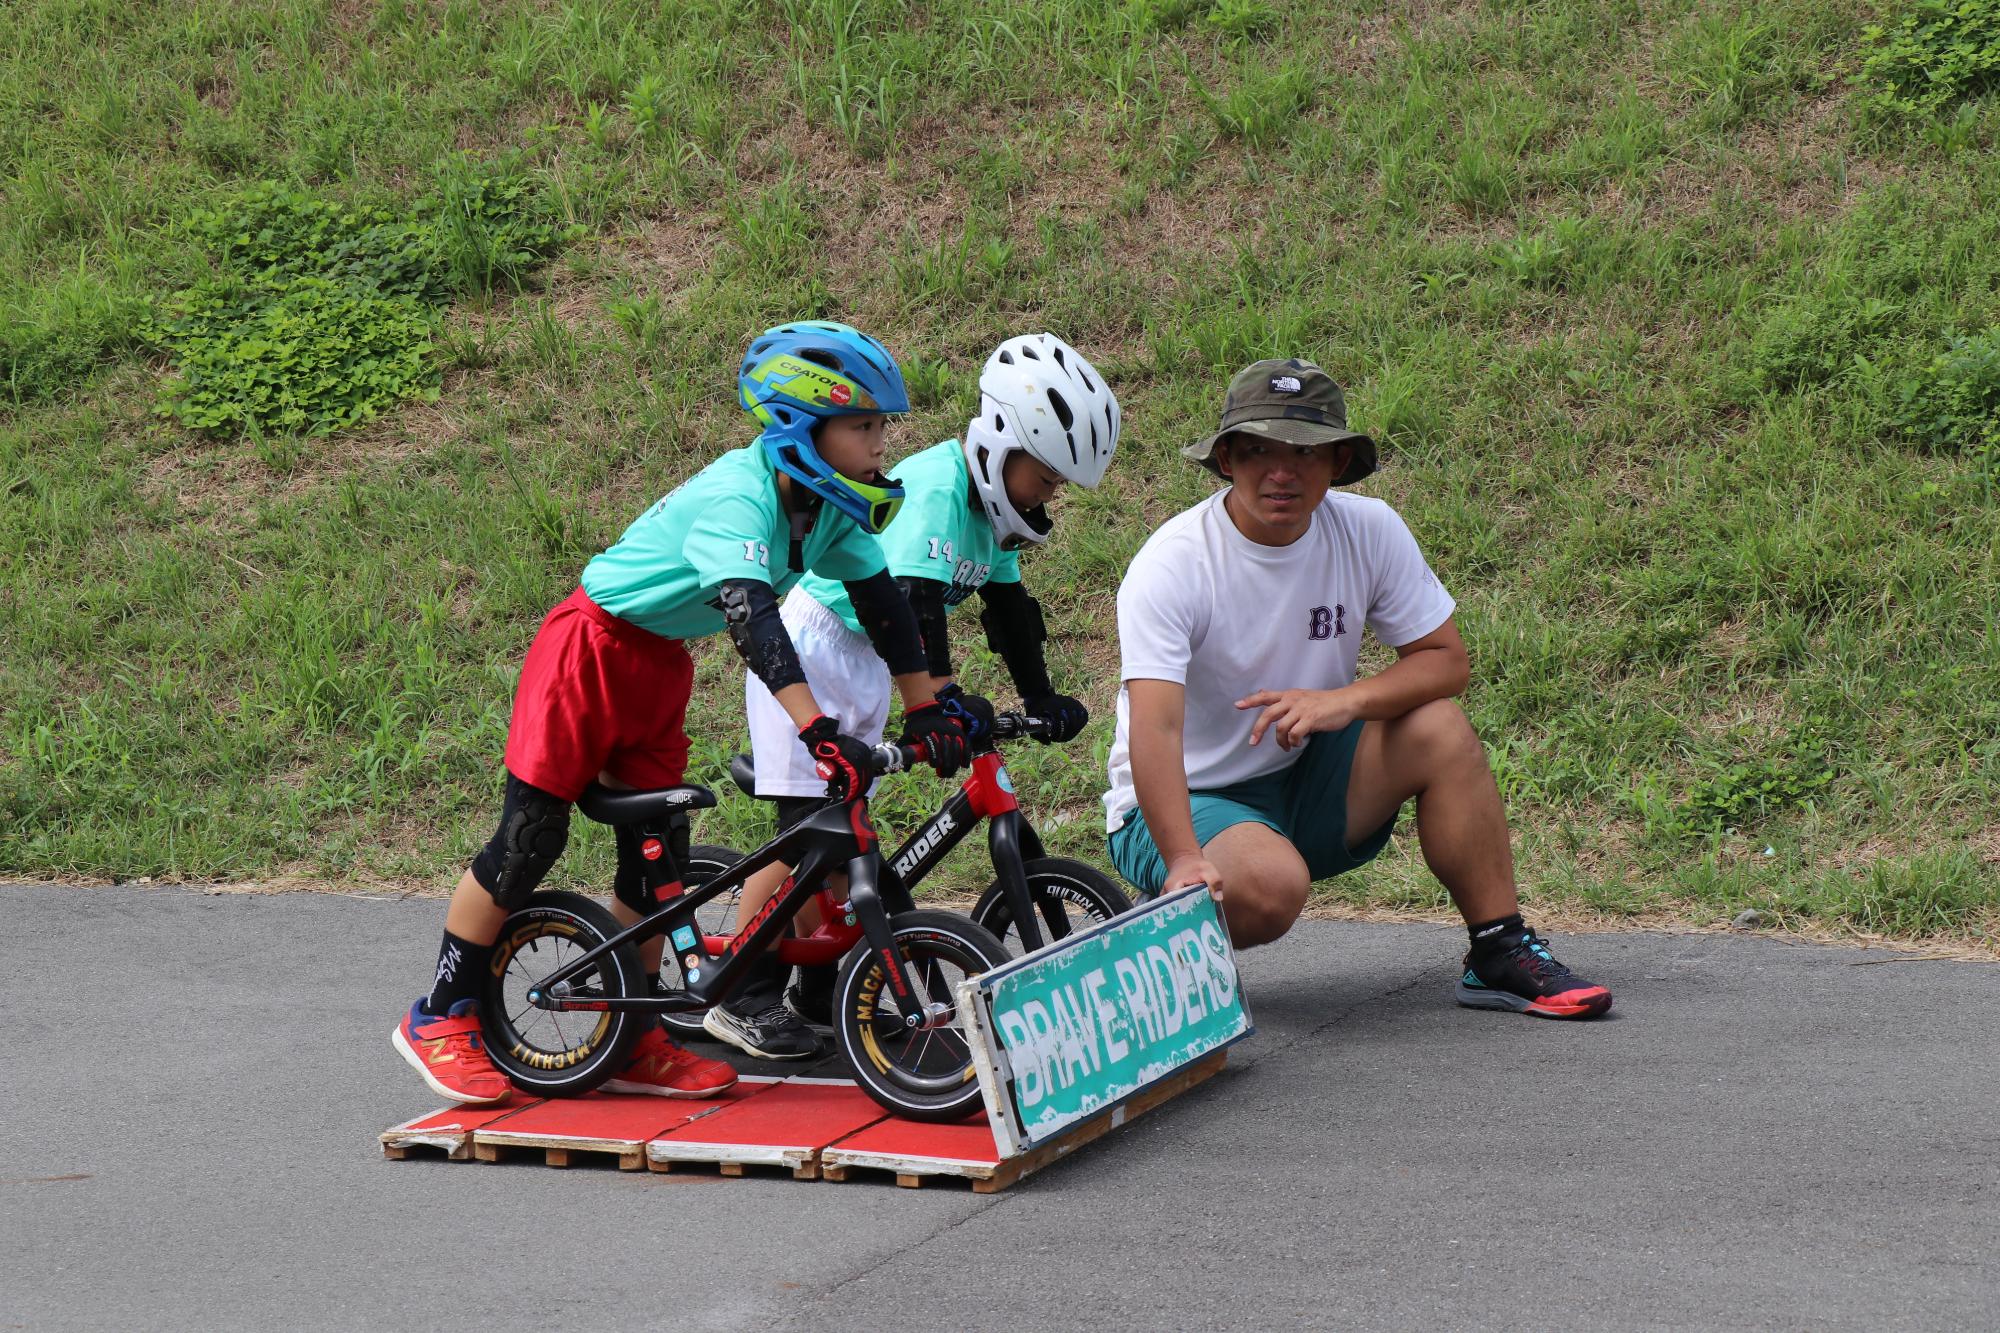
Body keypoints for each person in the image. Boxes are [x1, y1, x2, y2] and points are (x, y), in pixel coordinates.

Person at [391, 320, 972, 1104]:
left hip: (659, 664)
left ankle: (631, 1036)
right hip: (587, 649)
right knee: (529, 839)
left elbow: (886, 608)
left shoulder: (828, 508)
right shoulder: (740, 495)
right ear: (804, 426)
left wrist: (927, 709)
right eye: (864, 425)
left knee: (657, 854)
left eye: (881, 426)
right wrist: (817, 730)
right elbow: (753, 621)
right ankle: (442, 1014)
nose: (880, 444)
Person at [1103, 358, 1612, 1019]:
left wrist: (1338, 702)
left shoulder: (1369, 530)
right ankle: (1163, 922)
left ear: (1338, 462)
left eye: (1305, 452)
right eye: (1259, 449)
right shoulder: (1174, 563)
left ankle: (1498, 950)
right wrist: (1180, 858)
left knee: (1439, 727)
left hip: (1302, 777)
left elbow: (1444, 660)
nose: (1281, 471)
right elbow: (1156, 729)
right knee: (1270, 887)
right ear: (1226, 458)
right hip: (1181, 798)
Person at [718, 332, 1122, 1059]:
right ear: (1003, 448)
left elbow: (1009, 613)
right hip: (812, 646)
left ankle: (819, 988)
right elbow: (910, 601)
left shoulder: (990, 515)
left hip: (867, 662)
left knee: (846, 838)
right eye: (1048, 477)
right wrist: (936, 697)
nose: (1049, 495)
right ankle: (740, 994)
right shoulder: (939, 490)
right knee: (809, 831)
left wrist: (1043, 693)